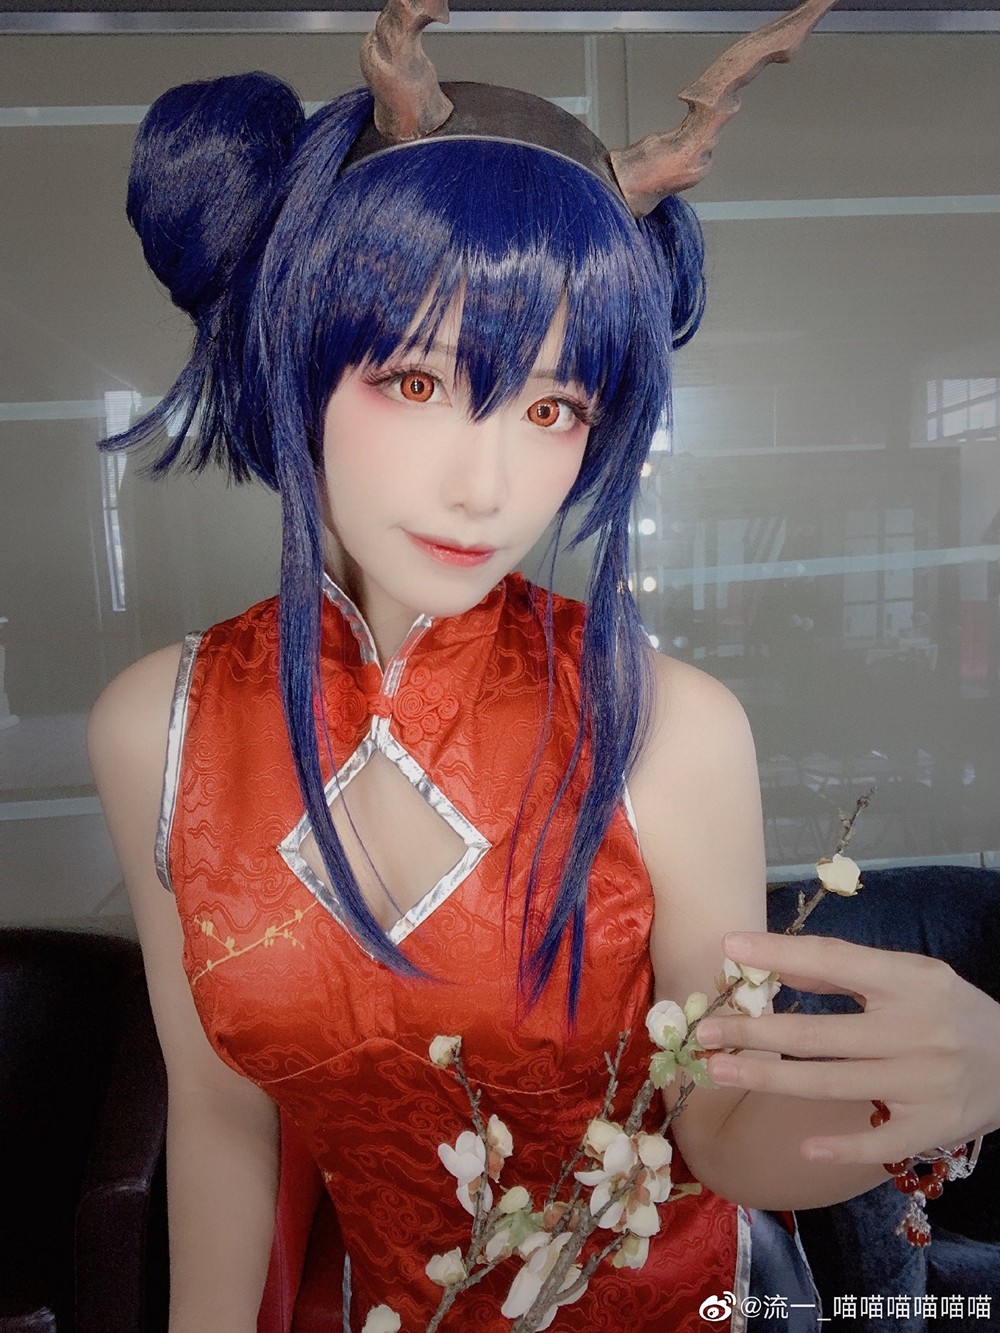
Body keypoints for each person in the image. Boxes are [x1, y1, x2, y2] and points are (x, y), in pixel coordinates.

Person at [87, 5, 1000, 1330]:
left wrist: (914, 1096)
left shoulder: (669, 727)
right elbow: (225, 1114)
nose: (491, 483)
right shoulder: (157, 729)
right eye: (416, 381)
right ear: (295, 350)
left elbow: (716, 1129)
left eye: (554, 406)